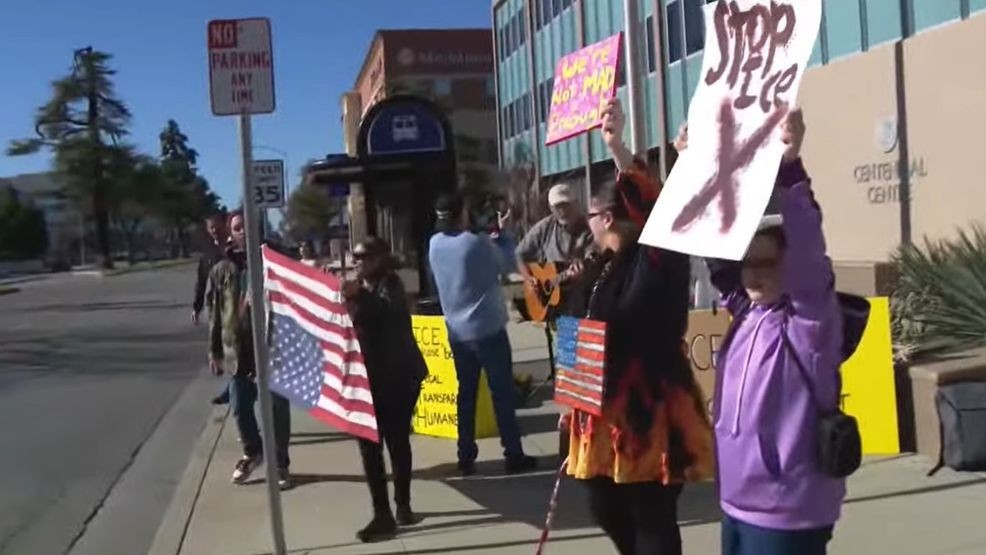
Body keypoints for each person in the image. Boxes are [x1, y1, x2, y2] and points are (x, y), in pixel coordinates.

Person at [677, 109, 846, 555]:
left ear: (789, 267)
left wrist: (790, 168)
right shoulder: (745, 314)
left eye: (766, 263)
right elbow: (714, 254)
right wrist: (695, 169)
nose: (753, 275)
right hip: (735, 501)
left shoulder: (809, 323)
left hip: (787, 510)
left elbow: (809, 250)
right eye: (747, 264)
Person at [561, 98, 715, 555]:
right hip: (600, 411)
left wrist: (618, 150)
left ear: (608, 217)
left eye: (590, 215)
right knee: (603, 505)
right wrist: (570, 398)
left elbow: (661, 210)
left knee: (652, 515)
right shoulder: (597, 268)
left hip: (649, 410)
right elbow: (576, 329)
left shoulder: (657, 258)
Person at [428, 193, 537, 476]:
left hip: (457, 333)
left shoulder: (434, 244)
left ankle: (466, 455)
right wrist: (503, 233)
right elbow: (507, 263)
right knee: (501, 393)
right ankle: (513, 453)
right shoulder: (476, 244)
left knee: (466, 395)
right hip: (487, 330)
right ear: (461, 213)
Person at [341, 237, 427, 543]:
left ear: (379, 259)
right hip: (369, 380)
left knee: (396, 441)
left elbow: (386, 314)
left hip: (398, 379)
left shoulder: (392, 285)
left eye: (363, 257)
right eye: (355, 258)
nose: (358, 262)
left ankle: (400, 507)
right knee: (369, 446)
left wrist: (358, 295)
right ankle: (383, 513)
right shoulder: (361, 290)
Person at [208, 211, 292, 489]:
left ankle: (280, 462)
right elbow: (216, 313)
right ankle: (253, 451)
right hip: (238, 348)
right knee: (239, 405)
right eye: (236, 228)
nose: (242, 231)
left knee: (276, 406)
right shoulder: (223, 269)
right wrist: (215, 351)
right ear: (230, 233)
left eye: (246, 226)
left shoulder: (275, 260)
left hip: (272, 344)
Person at [515, 183, 594, 316]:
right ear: (551, 208)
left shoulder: (589, 227)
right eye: (557, 206)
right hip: (551, 305)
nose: (562, 211)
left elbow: (594, 256)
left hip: (581, 302)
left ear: (575, 203)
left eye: (566, 205)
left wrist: (583, 268)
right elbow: (519, 254)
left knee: (577, 333)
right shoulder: (545, 226)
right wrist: (529, 278)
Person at [192, 213, 228, 326]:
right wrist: (197, 308)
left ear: (224, 225)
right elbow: (201, 282)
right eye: (211, 227)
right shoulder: (207, 255)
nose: (215, 230)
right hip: (215, 303)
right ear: (207, 229)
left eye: (217, 227)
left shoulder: (235, 247)